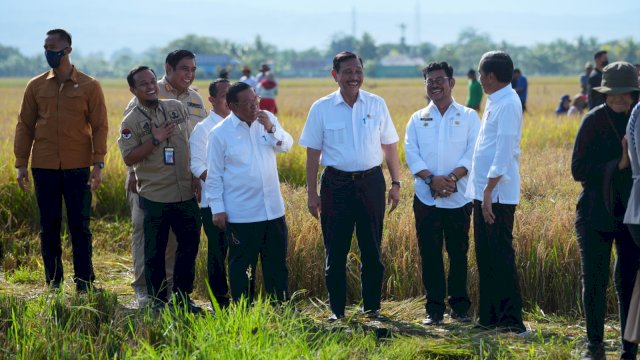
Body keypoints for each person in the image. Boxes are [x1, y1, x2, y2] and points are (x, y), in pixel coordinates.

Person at [299, 51, 402, 321]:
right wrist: (312, 193)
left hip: (371, 183)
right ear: (335, 75)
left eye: (358, 71)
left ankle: (372, 310)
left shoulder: (376, 104)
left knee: (372, 250)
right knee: (335, 251)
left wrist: (396, 182)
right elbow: (312, 153)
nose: (354, 77)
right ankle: (336, 312)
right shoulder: (321, 108)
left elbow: (390, 145)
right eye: (347, 72)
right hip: (336, 185)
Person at [14, 28, 108, 292]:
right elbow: (25, 125)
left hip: (78, 167)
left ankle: (84, 283)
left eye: (52, 47)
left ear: (67, 50)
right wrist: (21, 163)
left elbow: (100, 126)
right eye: (45, 47)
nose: (48, 52)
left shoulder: (90, 85)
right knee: (49, 226)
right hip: (43, 166)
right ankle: (53, 282)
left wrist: (98, 164)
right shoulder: (35, 85)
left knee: (80, 227)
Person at [124, 49, 207, 307]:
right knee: (151, 243)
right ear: (168, 69)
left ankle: (178, 295)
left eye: (193, 69)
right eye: (184, 69)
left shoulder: (191, 100)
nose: (189, 74)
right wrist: (132, 175)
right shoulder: (147, 94)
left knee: (186, 242)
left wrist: (198, 175)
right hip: (152, 185)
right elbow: (132, 145)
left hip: (184, 182)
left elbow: (200, 138)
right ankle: (147, 293)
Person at [572, 61, 640, 360]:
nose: (619, 99)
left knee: (629, 281)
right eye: (613, 93)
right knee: (595, 281)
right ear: (604, 93)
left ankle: (629, 348)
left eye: (625, 93)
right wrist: (619, 164)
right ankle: (594, 345)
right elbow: (578, 170)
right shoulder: (592, 121)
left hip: (632, 215)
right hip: (595, 214)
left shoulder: (638, 121)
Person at [404, 61, 480, 325]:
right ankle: (434, 310)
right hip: (427, 197)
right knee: (430, 253)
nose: (434, 85)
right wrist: (431, 180)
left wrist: (450, 179)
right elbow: (411, 152)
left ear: (452, 83)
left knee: (459, 253)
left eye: (440, 80)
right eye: (429, 81)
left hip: (459, 197)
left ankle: (459, 308)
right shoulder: (417, 118)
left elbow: (473, 152)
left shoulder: (469, 116)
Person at [206, 82, 293, 303]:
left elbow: (286, 145)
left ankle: (281, 310)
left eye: (256, 100)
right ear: (232, 105)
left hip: (272, 211)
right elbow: (214, 176)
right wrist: (217, 209)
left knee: (276, 265)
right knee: (242, 268)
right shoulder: (220, 134)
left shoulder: (267, 120)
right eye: (248, 103)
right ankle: (244, 314)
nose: (255, 106)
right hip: (242, 214)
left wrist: (272, 129)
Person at [466, 51, 526, 333]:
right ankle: (489, 318)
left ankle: (512, 321)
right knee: (485, 256)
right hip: (484, 192)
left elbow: (503, 151)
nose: (479, 79)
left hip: (497, 195)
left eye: (480, 74)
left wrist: (489, 191)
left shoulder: (509, 104)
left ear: (490, 76)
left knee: (500, 256)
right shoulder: (495, 101)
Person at [189, 78, 232, 308]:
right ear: (212, 100)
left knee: (240, 252)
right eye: (225, 95)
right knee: (218, 253)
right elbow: (197, 165)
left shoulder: (242, 125)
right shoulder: (203, 129)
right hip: (213, 203)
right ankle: (219, 302)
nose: (229, 99)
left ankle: (242, 297)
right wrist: (225, 185)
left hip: (242, 203)